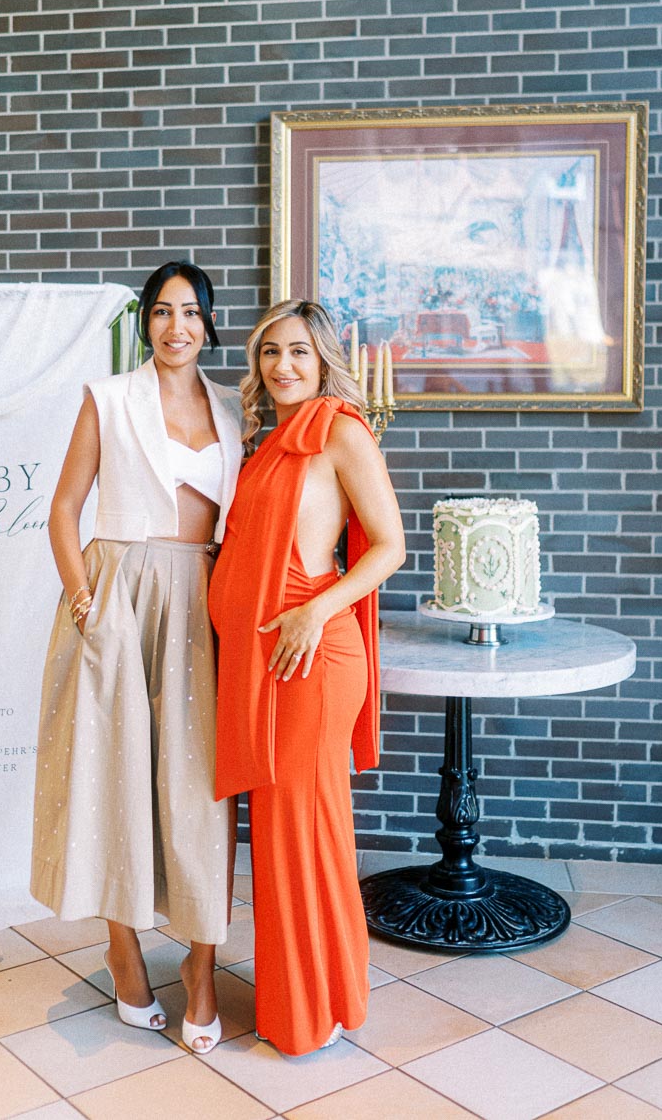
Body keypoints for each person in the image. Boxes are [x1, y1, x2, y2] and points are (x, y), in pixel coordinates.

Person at [31, 261, 243, 1054]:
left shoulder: (235, 409)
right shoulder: (108, 398)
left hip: (205, 600)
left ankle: (199, 965)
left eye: (190, 312)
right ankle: (122, 951)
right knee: (116, 779)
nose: (175, 326)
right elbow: (63, 506)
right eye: (162, 312)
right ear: (146, 323)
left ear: (209, 323)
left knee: (199, 791)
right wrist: (85, 599)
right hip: (118, 593)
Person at [210, 299, 405, 1056]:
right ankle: (302, 998)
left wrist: (314, 612)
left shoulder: (342, 431)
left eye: (297, 352)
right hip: (268, 658)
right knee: (285, 835)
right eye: (269, 354)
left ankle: (316, 1008)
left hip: (311, 657)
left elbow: (387, 546)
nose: (282, 366)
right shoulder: (268, 442)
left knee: (305, 832)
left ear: (323, 359)